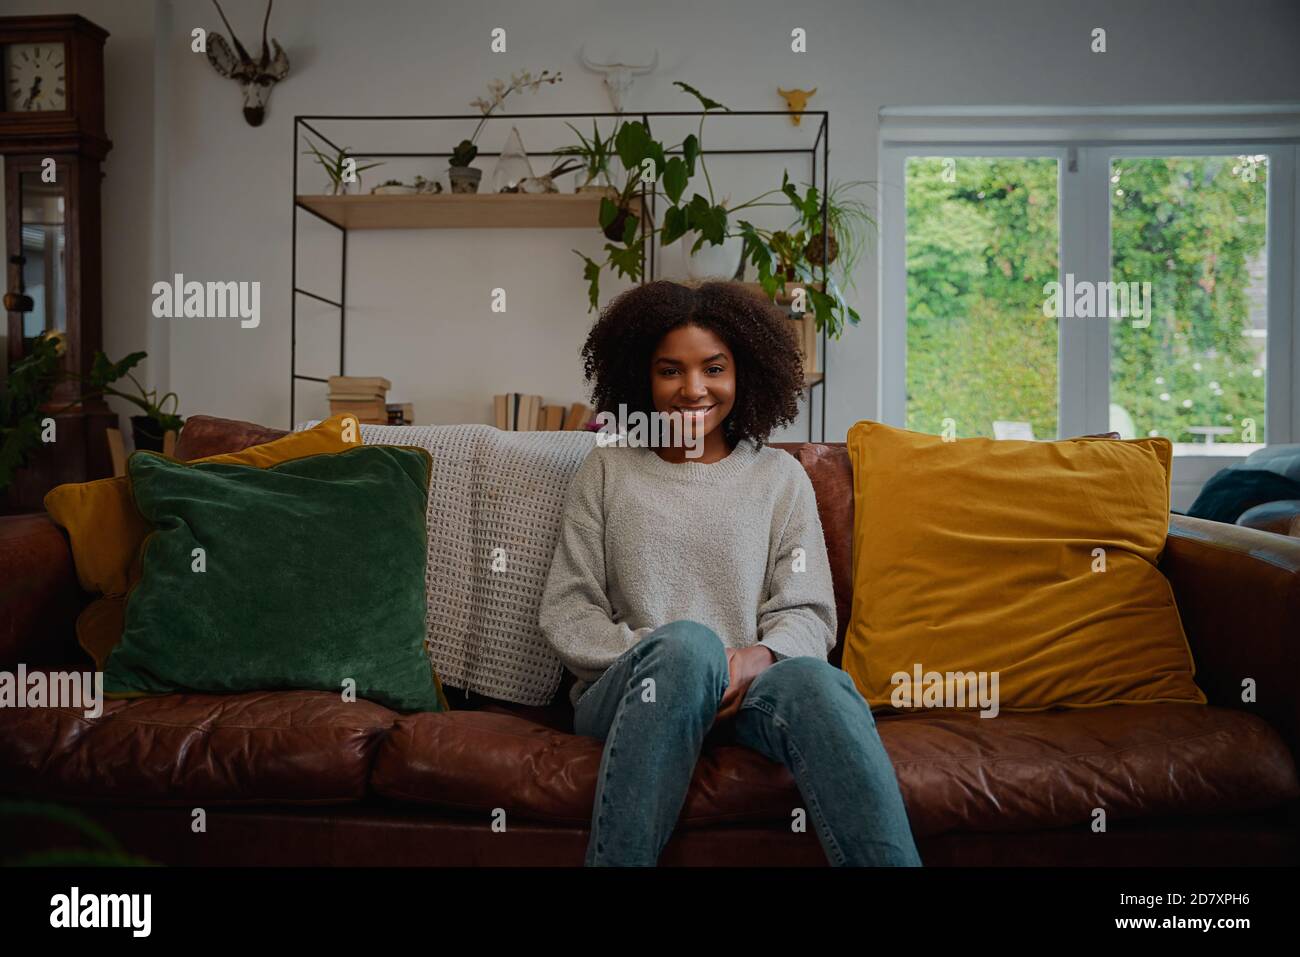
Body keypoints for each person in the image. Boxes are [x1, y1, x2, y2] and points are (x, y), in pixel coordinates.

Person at [539, 279, 921, 867]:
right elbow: (570, 610)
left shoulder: (778, 477)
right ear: (642, 376)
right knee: (688, 647)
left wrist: (756, 660)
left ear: (744, 373)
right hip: (632, 690)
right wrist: (685, 660)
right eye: (671, 371)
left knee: (821, 684)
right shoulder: (607, 471)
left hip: (750, 693)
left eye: (713, 368)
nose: (693, 389)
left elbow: (807, 610)